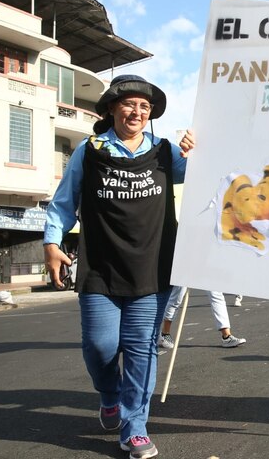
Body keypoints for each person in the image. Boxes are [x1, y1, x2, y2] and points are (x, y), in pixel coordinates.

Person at [44, 75, 196, 459]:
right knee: (100, 346)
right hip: (100, 268)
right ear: (112, 108)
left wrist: (198, 154)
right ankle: (109, 396)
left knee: (142, 350)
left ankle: (135, 428)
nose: (137, 111)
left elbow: (201, 177)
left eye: (144, 107)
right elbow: (64, 202)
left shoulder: (165, 152)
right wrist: (51, 242)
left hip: (154, 268)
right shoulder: (89, 150)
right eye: (129, 104)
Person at [158, 286, 246, 349]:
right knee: (177, 297)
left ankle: (226, 336)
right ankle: (165, 333)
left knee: (216, 293)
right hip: (185, 264)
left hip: (205, 263)